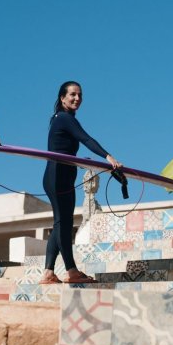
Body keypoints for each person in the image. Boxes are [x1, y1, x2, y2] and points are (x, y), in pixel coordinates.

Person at [40, 81, 121, 284]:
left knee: (61, 223)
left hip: (64, 176)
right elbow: (86, 139)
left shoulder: (62, 119)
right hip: (57, 176)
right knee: (63, 224)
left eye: (80, 95)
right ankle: (72, 271)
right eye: (72, 95)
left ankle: (48, 272)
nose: (77, 98)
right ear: (62, 98)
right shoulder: (64, 118)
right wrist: (107, 156)